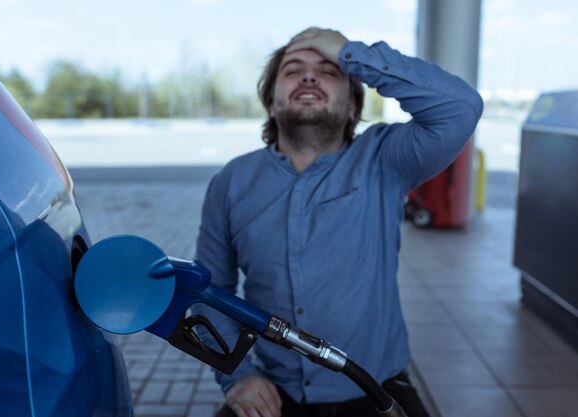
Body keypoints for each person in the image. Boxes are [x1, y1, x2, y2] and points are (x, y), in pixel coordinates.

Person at [194, 27, 483, 417]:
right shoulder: (231, 182)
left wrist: (350, 53)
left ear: (352, 107)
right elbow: (210, 289)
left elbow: (461, 107)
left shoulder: (384, 160)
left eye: (329, 71)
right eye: (293, 70)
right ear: (272, 103)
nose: (310, 76)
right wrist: (238, 375)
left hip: (375, 389)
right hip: (274, 396)